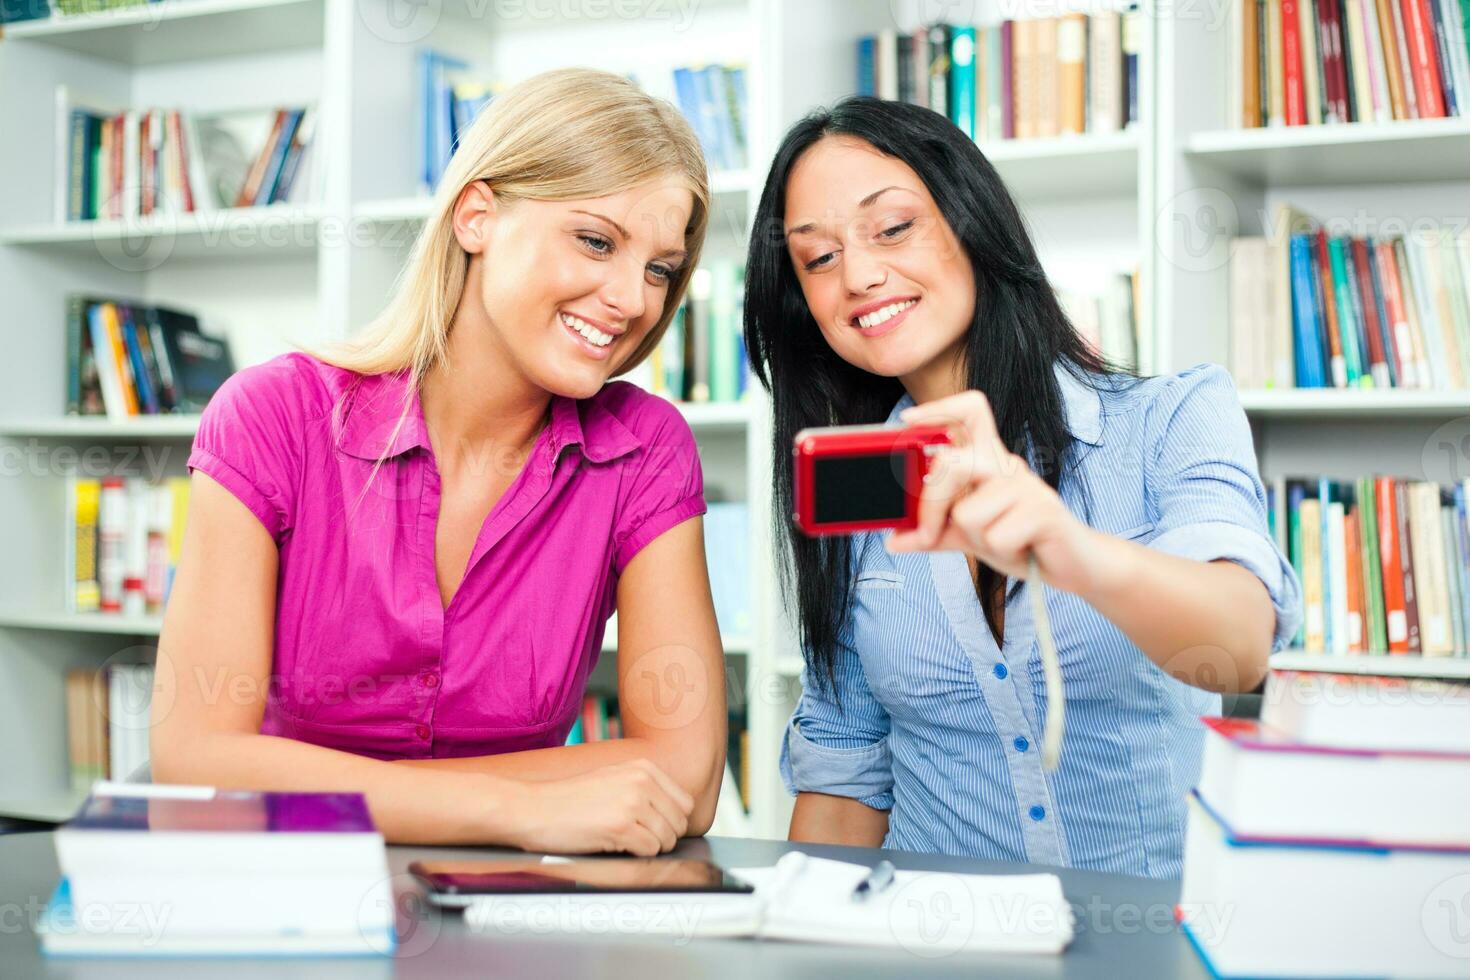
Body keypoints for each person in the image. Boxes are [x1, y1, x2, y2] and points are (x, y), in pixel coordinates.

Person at [152, 69, 726, 855]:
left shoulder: (645, 449)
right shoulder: (272, 418)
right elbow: (193, 766)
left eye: (660, 269)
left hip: (511, 918)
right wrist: (511, 809)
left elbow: (685, 781)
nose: (633, 299)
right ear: (477, 217)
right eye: (597, 241)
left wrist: (306, 783)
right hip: (287, 900)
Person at [743, 97, 1303, 878]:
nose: (861, 276)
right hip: (934, 948)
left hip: (1153, 943)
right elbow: (846, 778)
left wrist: (1068, 550)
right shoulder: (849, 488)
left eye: (893, 228)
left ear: (974, 222)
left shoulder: (1171, 418)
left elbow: (1237, 650)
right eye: (819, 259)